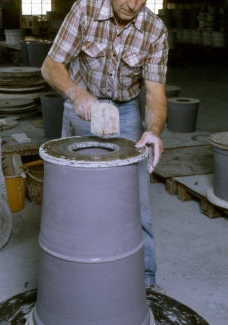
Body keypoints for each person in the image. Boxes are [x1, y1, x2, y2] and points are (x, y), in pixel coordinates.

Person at [41, 0, 169, 291]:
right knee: (74, 196)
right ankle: (70, 277)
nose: (132, 4)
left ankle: (144, 281)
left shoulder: (155, 29)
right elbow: (50, 67)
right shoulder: (84, 10)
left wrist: (154, 130)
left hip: (126, 109)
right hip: (84, 103)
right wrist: (76, 94)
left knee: (137, 198)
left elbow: (154, 95)